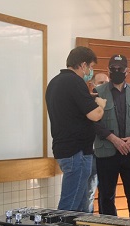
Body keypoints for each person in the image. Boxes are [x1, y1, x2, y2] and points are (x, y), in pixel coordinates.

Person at [46, 46, 107, 212]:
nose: (91, 71)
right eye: (91, 67)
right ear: (83, 65)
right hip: (76, 152)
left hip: (66, 149)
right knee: (70, 205)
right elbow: (95, 115)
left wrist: (88, 99)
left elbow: (72, 109)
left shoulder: (55, 82)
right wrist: (101, 104)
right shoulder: (75, 82)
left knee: (79, 204)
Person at [94, 54, 130, 218]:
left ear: (127, 71)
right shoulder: (99, 91)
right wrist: (114, 140)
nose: (116, 71)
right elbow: (94, 121)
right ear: (108, 70)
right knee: (106, 196)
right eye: (113, 69)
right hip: (107, 153)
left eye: (120, 69)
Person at [82, 72, 110, 213]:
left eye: (106, 82)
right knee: (89, 192)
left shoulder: (111, 102)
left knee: (107, 193)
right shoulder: (87, 102)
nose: (103, 85)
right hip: (91, 154)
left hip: (107, 153)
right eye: (100, 82)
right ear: (92, 85)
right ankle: (89, 222)